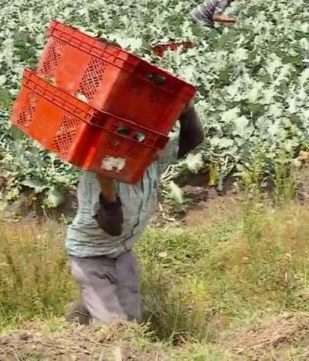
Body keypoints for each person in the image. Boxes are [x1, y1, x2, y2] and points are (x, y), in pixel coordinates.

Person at [64, 102, 204, 325]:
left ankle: (84, 312)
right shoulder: (97, 175)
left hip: (122, 252)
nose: (160, 147)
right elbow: (111, 225)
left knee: (133, 321)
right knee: (114, 327)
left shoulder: (150, 164)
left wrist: (185, 110)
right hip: (91, 256)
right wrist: (107, 188)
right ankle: (84, 317)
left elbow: (192, 139)